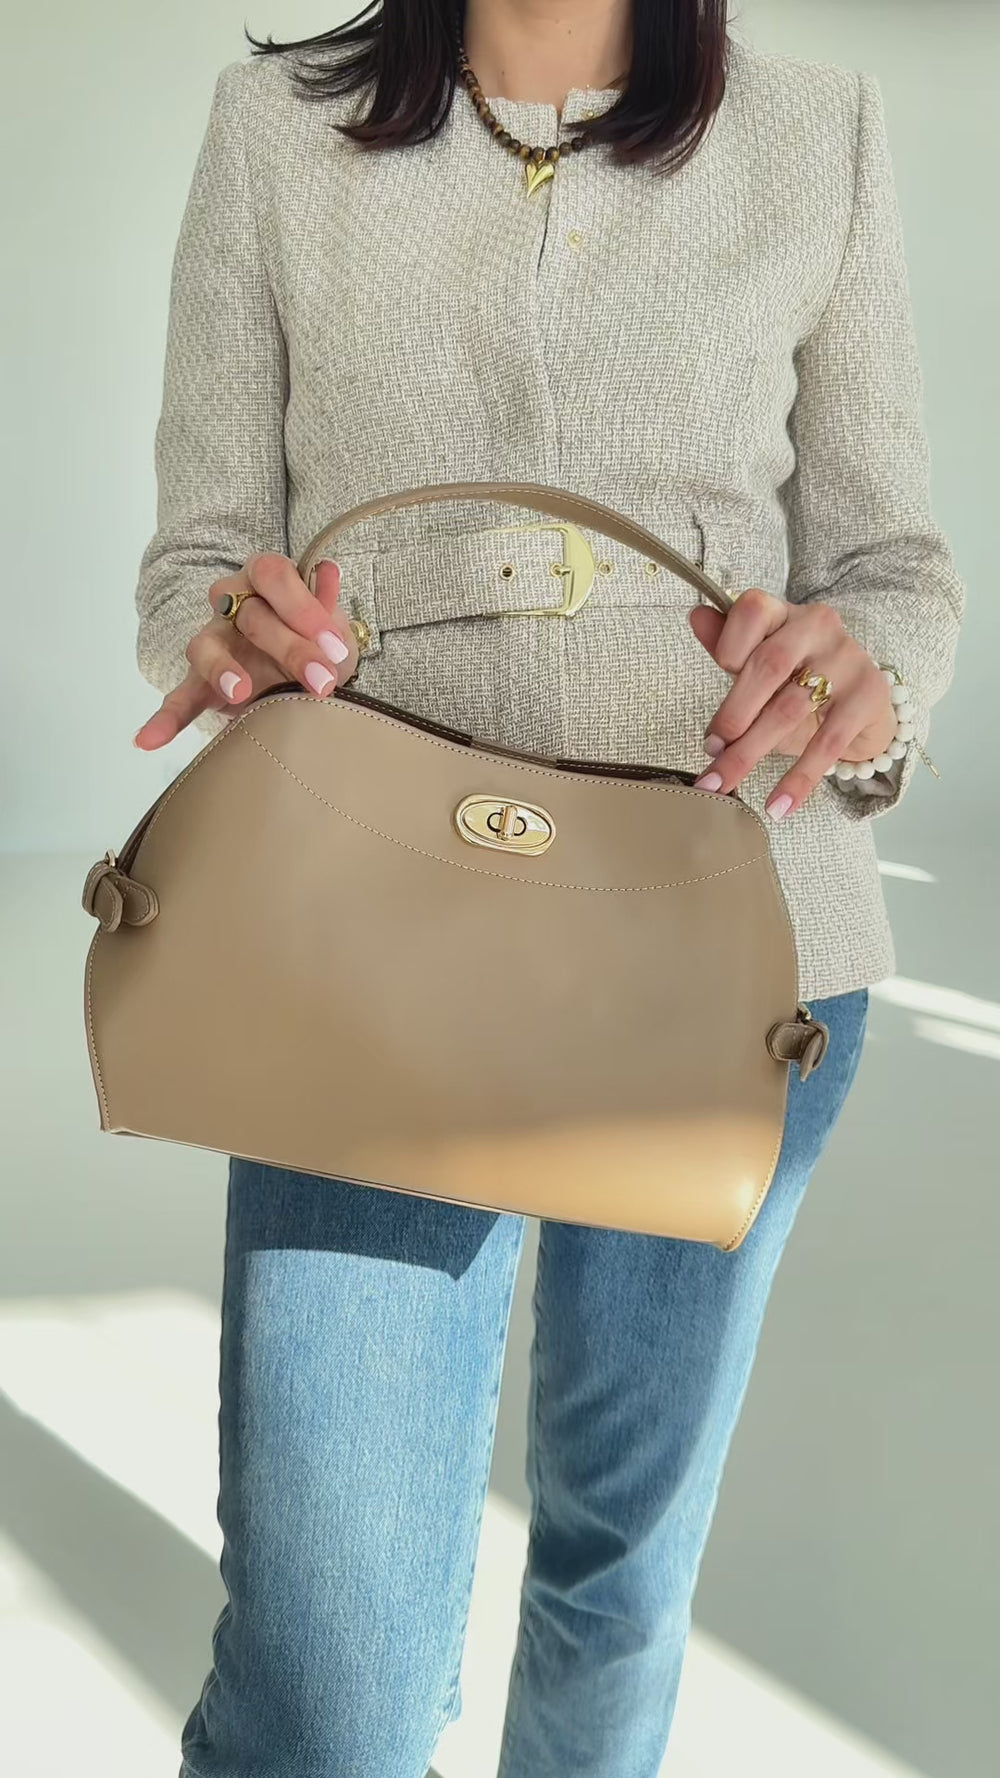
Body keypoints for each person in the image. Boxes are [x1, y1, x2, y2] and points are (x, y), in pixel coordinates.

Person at [130, 4, 964, 1774]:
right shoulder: (275, 132)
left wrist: (863, 674)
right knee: (328, 1693)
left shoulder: (817, 135)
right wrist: (229, 630)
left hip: (731, 951)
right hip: (365, 943)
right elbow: (202, 553)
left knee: (618, 1577)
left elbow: (894, 572)